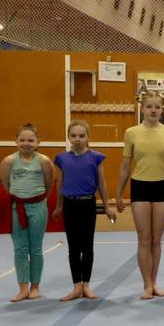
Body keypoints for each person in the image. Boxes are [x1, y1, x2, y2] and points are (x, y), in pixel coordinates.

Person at [116, 91, 164, 299]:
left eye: (157, 107)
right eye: (149, 106)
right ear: (143, 108)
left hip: (161, 186)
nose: (153, 110)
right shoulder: (131, 133)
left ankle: (154, 282)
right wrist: (119, 194)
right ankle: (146, 285)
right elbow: (125, 166)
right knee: (144, 239)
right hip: (139, 186)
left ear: (162, 109)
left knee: (156, 240)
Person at [53, 119, 116, 302]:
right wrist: (58, 206)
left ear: (88, 137)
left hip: (87, 204)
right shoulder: (62, 159)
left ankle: (86, 285)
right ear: (68, 137)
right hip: (70, 205)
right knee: (73, 248)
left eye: (81, 135)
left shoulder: (95, 158)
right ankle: (76, 286)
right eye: (73, 135)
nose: (77, 139)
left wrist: (107, 206)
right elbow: (61, 184)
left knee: (87, 246)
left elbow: (102, 183)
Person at [0, 123, 55, 302]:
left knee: (36, 248)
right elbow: (6, 185)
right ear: (16, 141)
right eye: (22, 140)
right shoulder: (9, 161)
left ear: (38, 142)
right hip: (17, 207)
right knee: (20, 249)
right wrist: (19, 199)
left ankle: (35, 286)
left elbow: (49, 185)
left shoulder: (44, 161)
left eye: (31, 140)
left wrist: (38, 199)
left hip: (38, 206)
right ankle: (23, 288)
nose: (26, 144)